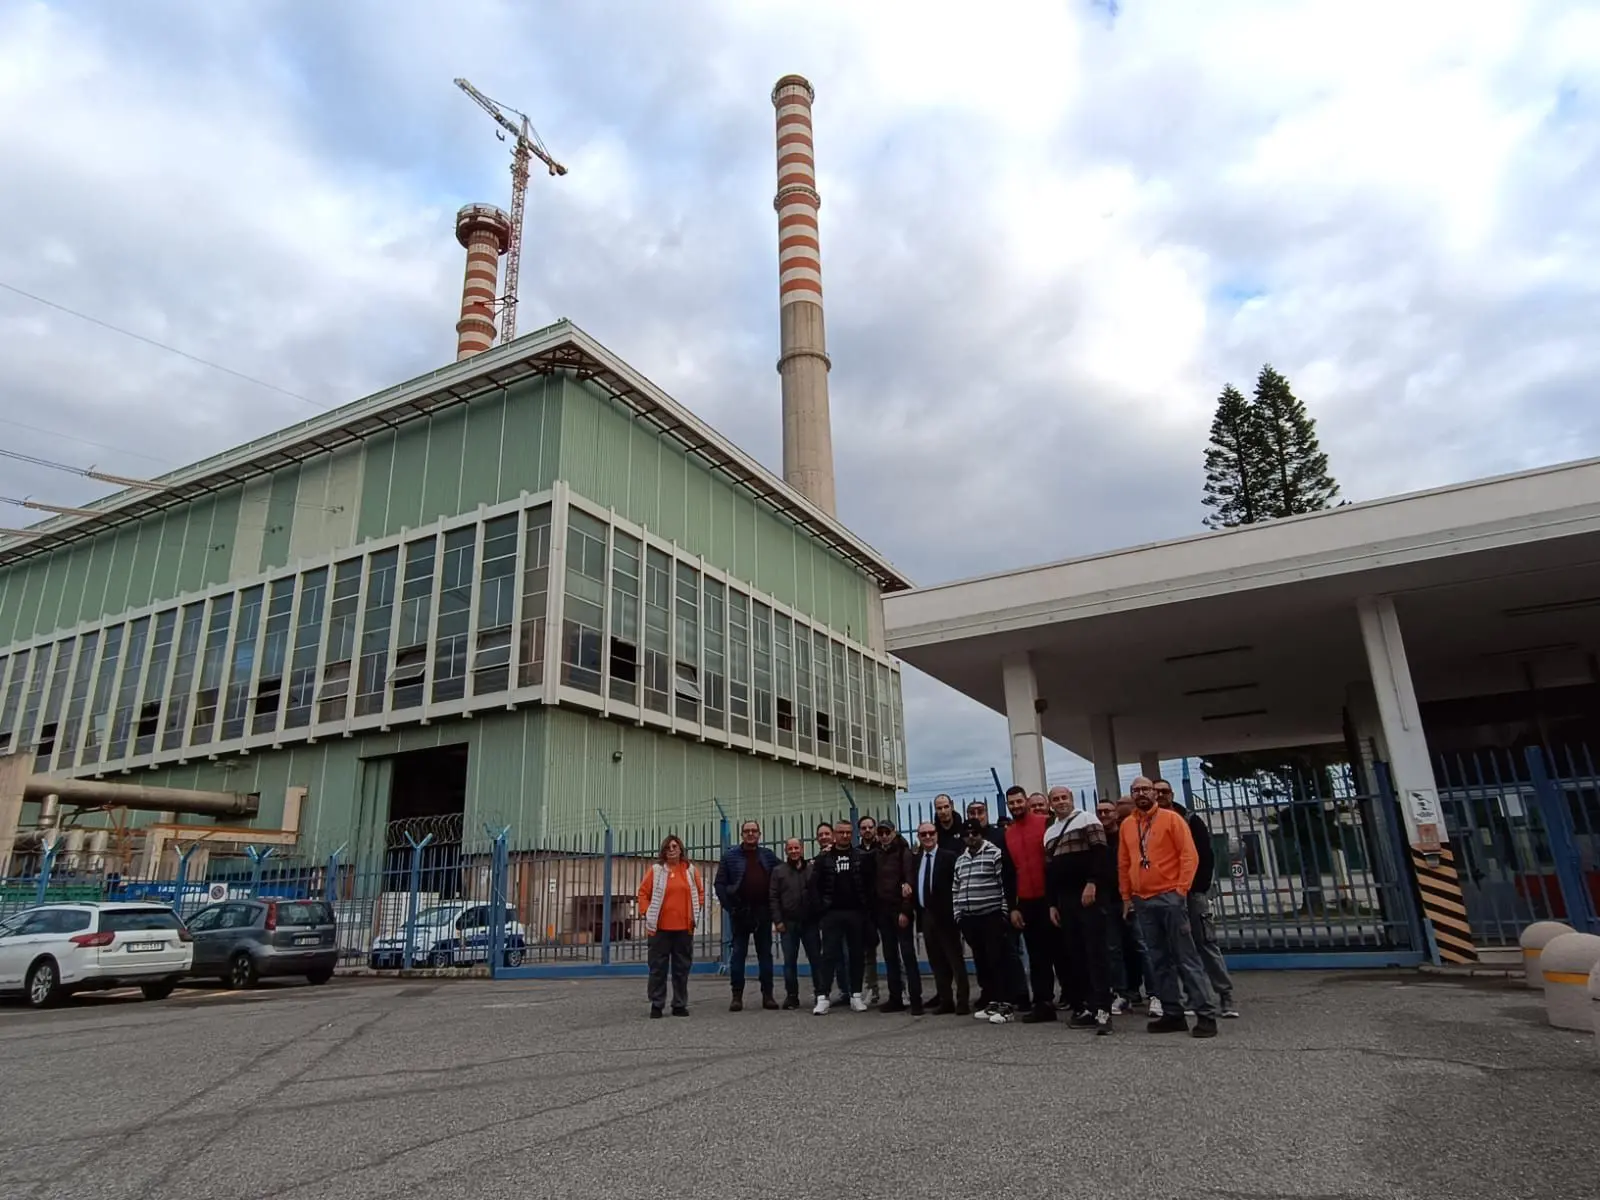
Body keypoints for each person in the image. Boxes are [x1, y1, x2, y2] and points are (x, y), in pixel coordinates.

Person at [1120, 776, 1218, 1038]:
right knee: (1158, 959)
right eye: (1135, 790)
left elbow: (1189, 855)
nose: (1141, 793)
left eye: (1145, 789)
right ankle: (1172, 1013)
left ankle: (1205, 1014)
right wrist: (1127, 897)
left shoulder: (1172, 819)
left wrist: (1181, 890)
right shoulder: (1127, 825)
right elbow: (1124, 862)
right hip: (1143, 900)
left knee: (1185, 957)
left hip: (1171, 897)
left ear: (1154, 793)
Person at [1154, 779, 1240, 1019]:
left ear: (1171, 793)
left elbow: (1205, 854)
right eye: (1156, 792)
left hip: (1192, 892)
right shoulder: (1151, 823)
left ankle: (1225, 995)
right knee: (1178, 947)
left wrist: (1198, 887)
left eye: (1164, 791)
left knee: (1205, 942)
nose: (1160, 795)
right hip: (1166, 894)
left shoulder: (1190, 819)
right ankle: (1194, 996)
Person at [1044, 786, 1115, 1034]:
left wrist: (1093, 882)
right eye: (1056, 799)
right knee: (1076, 955)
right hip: (1065, 900)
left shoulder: (1087, 819)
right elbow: (1050, 871)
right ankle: (1086, 1007)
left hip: (1089, 895)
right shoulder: (1050, 832)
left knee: (1096, 953)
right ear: (1050, 804)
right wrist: (1052, 903)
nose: (1061, 802)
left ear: (1071, 799)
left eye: (1064, 797)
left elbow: (1100, 853)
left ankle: (1104, 1008)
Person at [953, 817, 1017, 1024]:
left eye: (975, 834)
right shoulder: (961, 860)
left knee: (998, 959)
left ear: (982, 834)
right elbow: (956, 888)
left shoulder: (994, 854)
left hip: (992, 915)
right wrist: (958, 914)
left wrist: (1004, 912)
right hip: (970, 918)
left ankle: (1006, 1005)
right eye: (967, 834)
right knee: (982, 961)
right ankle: (991, 1000)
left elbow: (1004, 884)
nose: (971, 838)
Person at [713, 820, 781, 1011]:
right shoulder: (730, 856)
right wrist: (730, 908)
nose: (750, 834)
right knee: (738, 955)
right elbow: (720, 884)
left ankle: (768, 995)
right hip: (740, 912)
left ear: (759, 834)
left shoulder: (767, 856)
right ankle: (737, 996)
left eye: (754, 831)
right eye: (746, 831)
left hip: (763, 912)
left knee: (765, 955)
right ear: (741, 834)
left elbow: (783, 872)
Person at [1002, 787, 1056, 1024]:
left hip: (1050, 899)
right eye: (1011, 803)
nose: (1015, 806)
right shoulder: (1009, 833)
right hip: (1026, 901)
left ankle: (1078, 1001)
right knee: (1036, 956)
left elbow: (1054, 862)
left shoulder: (1046, 823)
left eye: (1018, 801)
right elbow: (1009, 873)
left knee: (1063, 952)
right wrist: (1013, 906)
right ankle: (1043, 1004)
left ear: (1026, 801)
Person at [636, 834, 705, 1018]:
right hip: (659, 929)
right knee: (658, 968)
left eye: (675, 846)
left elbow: (700, 892)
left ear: (681, 849)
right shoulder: (656, 870)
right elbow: (643, 893)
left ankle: (679, 1004)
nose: (672, 850)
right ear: (663, 851)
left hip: (684, 929)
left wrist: (694, 912)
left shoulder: (690, 870)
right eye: (668, 847)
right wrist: (646, 912)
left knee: (681, 968)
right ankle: (657, 1004)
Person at [809, 819, 870, 1014]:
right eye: (841, 832)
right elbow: (813, 886)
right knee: (828, 956)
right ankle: (822, 997)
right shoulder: (824, 859)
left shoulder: (860, 856)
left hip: (855, 913)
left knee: (856, 956)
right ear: (834, 834)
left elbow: (868, 884)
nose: (844, 836)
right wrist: (820, 909)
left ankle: (856, 996)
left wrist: (864, 908)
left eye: (848, 832)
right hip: (831, 914)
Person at [912, 819, 969, 1014]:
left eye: (931, 833)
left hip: (947, 915)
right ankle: (945, 1000)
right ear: (918, 837)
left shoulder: (949, 857)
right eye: (923, 834)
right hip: (926, 915)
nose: (927, 837)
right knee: (936, 961)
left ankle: (962, 1001)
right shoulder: (917, 858)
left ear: (936, 835)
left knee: (955, 960)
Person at [1098, 798, 1147, 1014]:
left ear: (1116, 814)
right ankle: (1121, 993)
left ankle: (1155, 993)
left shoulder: (1127, 834)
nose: (1104, 815)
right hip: (1108, 901)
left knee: (1142, 946)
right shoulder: (1096, 839)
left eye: (1108, 811)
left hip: (1131, 897)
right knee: (1113, 949)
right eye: (1100, 812)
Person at [870, 818, 923, 1014]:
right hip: (882, 911)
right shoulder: (876, 854)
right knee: (890, 956)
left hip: (900, 911)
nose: (884, 836)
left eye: (887, 832)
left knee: (908, 955)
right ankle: (895, 997)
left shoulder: (903, 852)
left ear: (894, 832)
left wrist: (905, 911)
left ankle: (916, 999)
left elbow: (909, 882)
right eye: (881, 832)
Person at [769, 836, 822, 1011]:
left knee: (816, 959)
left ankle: (820, 994)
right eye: (790, 849)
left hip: (810, 923)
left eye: (796, 848)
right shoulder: (778, 871)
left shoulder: (812, 869)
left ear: (802, 849)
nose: (793, 851)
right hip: (788, 923)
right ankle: (792, 996)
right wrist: (778, 921)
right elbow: (773, 898)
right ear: (785, 851)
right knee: (789, 961)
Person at [856, 814, 882, 1005]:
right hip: (865, 909)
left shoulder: (883, 848)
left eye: (870, 827)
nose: (867, 831)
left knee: (893, 950)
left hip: (884, 904)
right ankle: (872, 990)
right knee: (868, 953)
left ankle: (901, 988)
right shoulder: (855, 852)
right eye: (863, 828)